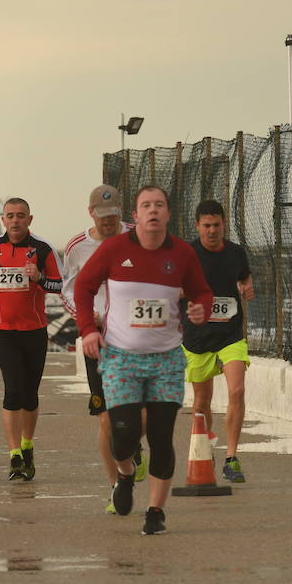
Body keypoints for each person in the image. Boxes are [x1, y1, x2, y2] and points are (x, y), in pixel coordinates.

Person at [75, 185, 213, 535]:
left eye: (160, 205)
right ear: (134, 215)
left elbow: (201, 291)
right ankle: (124, 476)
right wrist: (88, 330)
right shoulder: (114, 249)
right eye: (146, 205)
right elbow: (83, 287)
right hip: (121, 358)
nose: (153, 211)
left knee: (162, 436)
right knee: (124, 435)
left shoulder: (182, 253)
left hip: (166, 359)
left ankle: (155, 511)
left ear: (168, 214)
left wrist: (201, 310)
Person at [61, 184, 142, 513]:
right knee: (106, 417)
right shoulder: (78, 247)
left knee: (140, 412)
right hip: (98, 337)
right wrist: (85, 316)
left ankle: (133, 448)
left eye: (115, 216)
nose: (109, 222)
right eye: (103, 216)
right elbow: (68, 290)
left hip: (137, 336)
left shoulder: (139, 237)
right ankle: (116, 487)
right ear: (91, 212)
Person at [182, 200, 255, 483]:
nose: (212, 231)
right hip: (197, 337)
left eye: (217, 225)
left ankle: (232, 458)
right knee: (202, 403)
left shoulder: (236, 252)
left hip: (230, 335)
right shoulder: (187, 253)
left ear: (224, 224)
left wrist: (247, 287)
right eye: (206, 226)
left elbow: (245, 277)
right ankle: (205, 448)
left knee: (237, 390)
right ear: (197, 226)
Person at [0, 198, 63, 481]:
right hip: (3, 329)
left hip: (34, 330)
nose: (15, 221)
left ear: (30, 219)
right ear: (3, 220)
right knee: (12, 391)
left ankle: (27, 445)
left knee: (30, 395)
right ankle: (14, 456)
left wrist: (40, 278)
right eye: (10, 215)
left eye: (21, 216)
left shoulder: (42, 249)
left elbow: (60, 284)